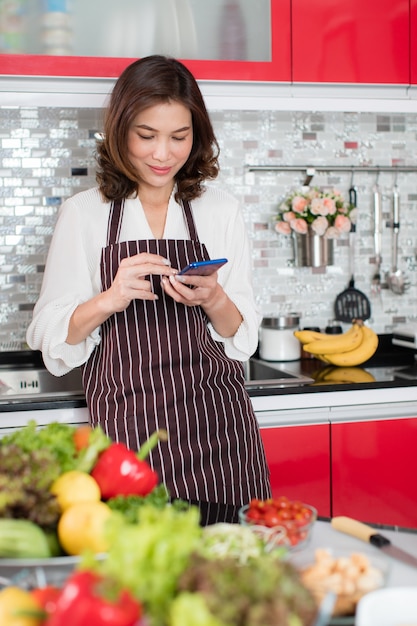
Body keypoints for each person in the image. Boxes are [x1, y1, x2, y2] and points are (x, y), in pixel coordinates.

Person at [26, 55, 271, 524]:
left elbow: (243, 337)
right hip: (130, 438)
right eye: (146, 136)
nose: (163, 154)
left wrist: (214, 298)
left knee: (233, 574)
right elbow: (50, 335)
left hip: (220, 430)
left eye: (179, 137)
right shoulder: (86, 213)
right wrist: (110, 298)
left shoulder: (220, 210)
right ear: (120, 131)